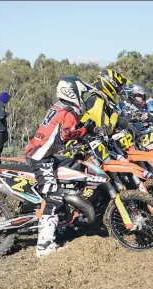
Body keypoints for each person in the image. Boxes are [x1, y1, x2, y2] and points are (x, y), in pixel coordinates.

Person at [25, 76, 96, 257]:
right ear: (72, 93)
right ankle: (44, 246)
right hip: (41, 157)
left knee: (74, 167)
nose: (82, 97)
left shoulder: (60, 107)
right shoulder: (68, 111)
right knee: (54, 198)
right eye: (81, 93)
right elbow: (66, 134)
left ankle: (65, 220)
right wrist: (85, 130)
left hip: (43, 153)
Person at [81, 69, 131, 135]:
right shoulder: (97, 100)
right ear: (110, 85)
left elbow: (120, 121)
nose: (119, 92)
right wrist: (115, 113)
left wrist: (130, 124)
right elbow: (106, 130)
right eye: (118, 88)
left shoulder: (104, 101)